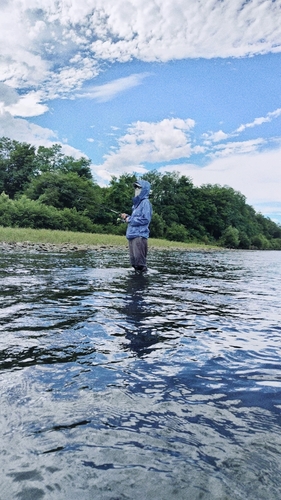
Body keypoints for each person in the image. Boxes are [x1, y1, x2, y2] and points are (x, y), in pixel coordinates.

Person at [121, 179, 152, 273]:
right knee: (134, 264)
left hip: (139, 237)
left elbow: (145, 219)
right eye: (135, 187)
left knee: (140, 265)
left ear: (144, 189)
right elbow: (135, 219)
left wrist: (129, 219)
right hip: (132, 236)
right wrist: (127, 217)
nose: (136, 189)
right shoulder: (136, 205)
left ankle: (142, 285)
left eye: (138, 187)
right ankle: (135, 285)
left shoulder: (145, 203)